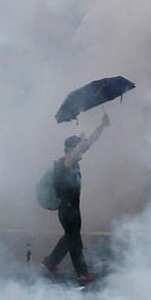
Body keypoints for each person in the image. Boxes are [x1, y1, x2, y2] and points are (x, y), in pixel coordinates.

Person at [41, 113, 110, 283]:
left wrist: (101, 126)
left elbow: (88, 144)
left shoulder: (73, 160)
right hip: (67, 209)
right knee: (75, 240)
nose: (81, 153)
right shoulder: (64, 164)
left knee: (70, 237)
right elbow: (76, 153)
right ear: (70, 150)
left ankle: (51, 262)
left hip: (72, 208)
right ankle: (82, 272)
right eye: (77, 149)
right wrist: (81, 143)